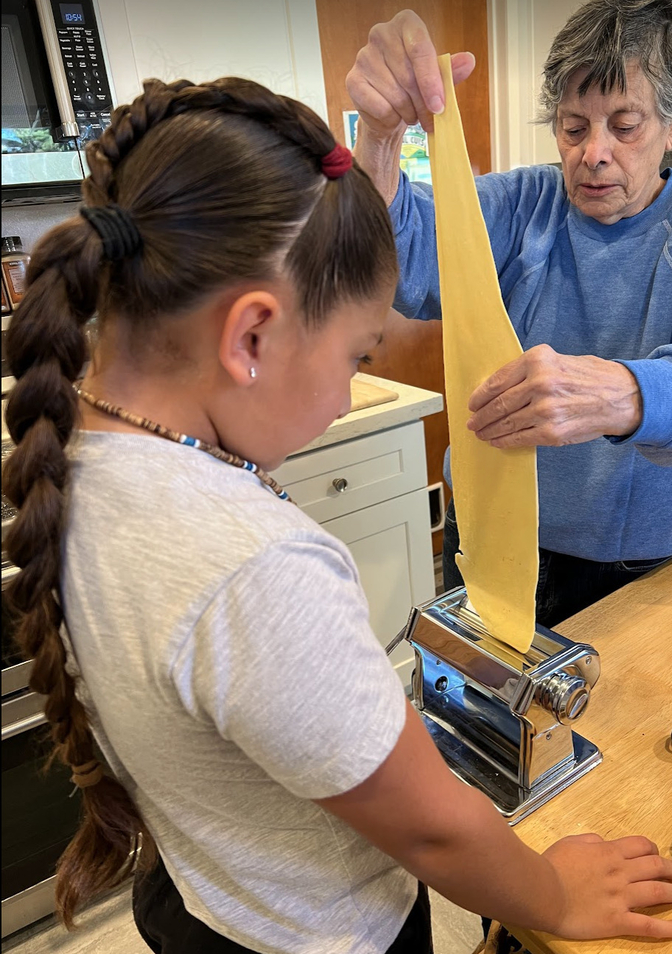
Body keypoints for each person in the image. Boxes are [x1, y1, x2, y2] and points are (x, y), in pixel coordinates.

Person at [4, 75, 672, 954]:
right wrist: (552, 896)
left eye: (624, 126)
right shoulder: (256, 568)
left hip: (193, 896)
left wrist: (632, 391)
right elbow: (432, 831)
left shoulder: (77, 457)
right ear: (251, 336)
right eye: (357, 354)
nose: (338, 402)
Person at [346, 0, 672, 628]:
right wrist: (381, 136)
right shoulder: (524, 203)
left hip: (634, 569)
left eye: (624, 125)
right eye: (573, 127)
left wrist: (625, 393)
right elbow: (396, 251)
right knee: (476, 714)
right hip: (487, 539)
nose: (594, 153)